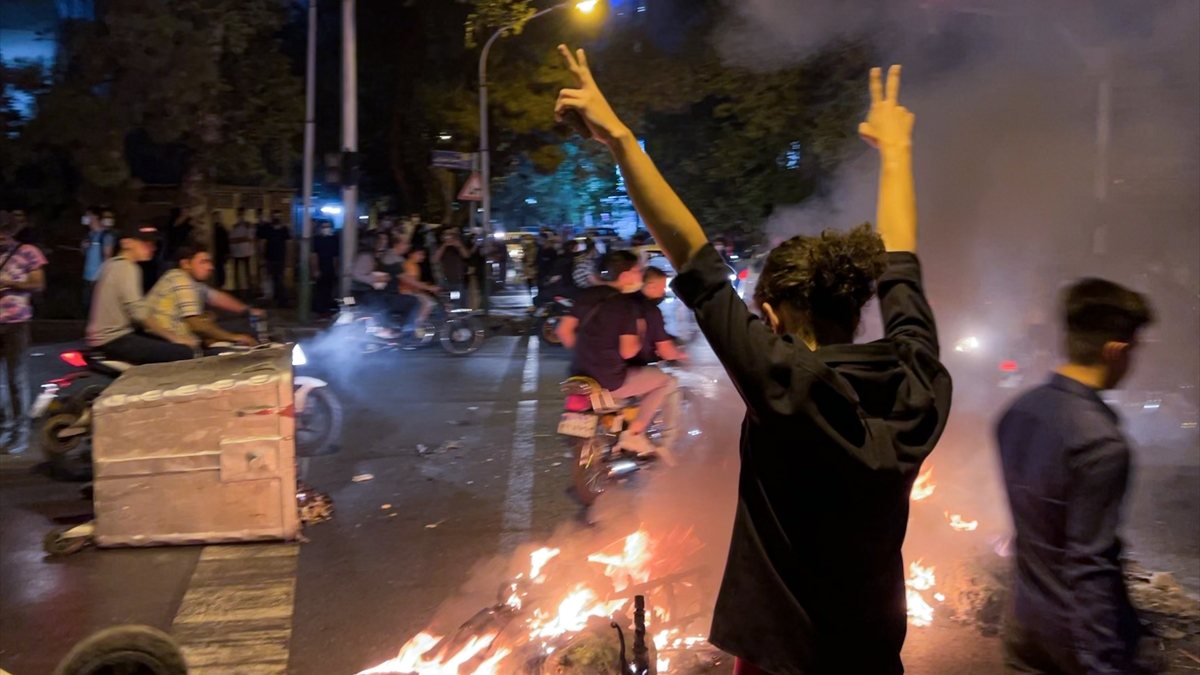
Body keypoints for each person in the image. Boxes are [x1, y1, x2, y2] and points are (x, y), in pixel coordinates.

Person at [554, 48, 951, 674]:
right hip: (875, 655)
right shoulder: (917, 379)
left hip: (782, 662)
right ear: (858, 302)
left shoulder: (784, 385)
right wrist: (898, 152)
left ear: (771, 317)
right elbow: (903, 263)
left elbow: (690, 255)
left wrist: (621, 139)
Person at [996, 279, 1158, 675]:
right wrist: (1104, 662)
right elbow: (1090, 567)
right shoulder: (1101, 443)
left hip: (1022, 628)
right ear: (1115, 350)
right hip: (1073, 646)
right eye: (1134, 349)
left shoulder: (1018, 413)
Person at [556, 249, 676, 458]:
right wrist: (639, 333)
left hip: (579, 373)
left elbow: (563, 332)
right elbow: (628, 352)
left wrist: (587, 351)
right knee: (664, 381)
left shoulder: (586, 295)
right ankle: (635, 433)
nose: (640, 275)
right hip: (610, 378)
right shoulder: (625, 304)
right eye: (638, 271)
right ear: (625, 275)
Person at [86, 223, 194, 364]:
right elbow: (139, 313)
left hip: (104, 338)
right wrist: (174, 337)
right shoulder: (127, 267)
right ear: (126, 243)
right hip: (114, 339)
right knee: (183, 352)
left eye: (153, 243)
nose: (152, 248)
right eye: (145, 243)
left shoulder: (109, 265)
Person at [145, 243, 262, 349]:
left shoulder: (190, 281)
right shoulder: (180, 280)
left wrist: (248, 310)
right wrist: (235, 337)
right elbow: (197, 325)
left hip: (179, 335)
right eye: (203, 262)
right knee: (242, 333)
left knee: (234, 326)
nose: (210, 267)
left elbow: (216, 297)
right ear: (186, 264)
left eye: (210, 262)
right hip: (166, 340)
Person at [0, 213, 48, 454]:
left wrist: (11, 281)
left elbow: (39, 284)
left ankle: (22, 434)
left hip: (17, 322)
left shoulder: (27, 251)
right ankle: (6, 429)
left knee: (15, 379)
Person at [630, 266, 686, 365]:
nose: (663, 292)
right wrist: (681, 355)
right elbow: (667, 352)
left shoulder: (625, 302)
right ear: (651, 286)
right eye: (663, 287)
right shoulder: (651, 311)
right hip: (638, 365)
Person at [81, 205, 115, 310]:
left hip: (98, 279)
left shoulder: (106, 236)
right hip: (87, 277)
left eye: (88, 216)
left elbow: (107, 257)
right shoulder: (90, 235)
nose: (86, 220)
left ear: (95, 217)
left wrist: (103, 277)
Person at [257, 210, 292, 307]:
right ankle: (273, 299)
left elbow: (288, 244)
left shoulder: (284, 229)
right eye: (275, 216)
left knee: (279, 279)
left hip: (280, 258)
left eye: (278, 216)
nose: (276, 218)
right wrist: (262, 257)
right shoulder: (267, 228)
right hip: (269, 257)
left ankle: (280, 299)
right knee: (270, 279)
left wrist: (289, 259)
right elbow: (262, 243)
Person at [434, 226, 471, 304]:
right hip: (445, 279)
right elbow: (435, 259)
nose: (449, 236)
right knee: (448, 301)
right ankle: (453, 313)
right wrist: (444, 245)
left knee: (457, 301)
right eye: (446, 234)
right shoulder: (441, 246)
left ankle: (457, 313)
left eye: (451, 234)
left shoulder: (459, 245)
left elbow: (466, 255)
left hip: (457, 280)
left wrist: (459, 245)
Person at [311, 219, 340, 314]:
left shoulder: (334, 239)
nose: (326, 229)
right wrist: (315, 269)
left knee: (329, 288)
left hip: (330, 267)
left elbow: (336, 256)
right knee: (320, 289)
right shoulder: (317, 239)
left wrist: (336, 269)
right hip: (321, 266)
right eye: (324, 227)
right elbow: (314, 255)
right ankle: (319, 308)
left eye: (328, 227)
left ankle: (326, 307)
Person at [230, 207, 255, 297]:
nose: (241, 216)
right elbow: (232, 240)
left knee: (247, 271)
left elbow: (250, 239)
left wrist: (241, 239)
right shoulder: (234, 226)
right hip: (236, 252)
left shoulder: (248, 225)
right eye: (239, 214)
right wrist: (242, 239)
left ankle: (249, 290)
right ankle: (237, 290)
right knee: (237, 272)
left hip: (246, 252)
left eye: (242, 214)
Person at [211, 210, 230, 290]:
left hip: (220, 252)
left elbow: (226, 241)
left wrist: (227, 252)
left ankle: (221, 285)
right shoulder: (212, 228)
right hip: (214, 251)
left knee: (221, 269)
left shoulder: (222, 228)